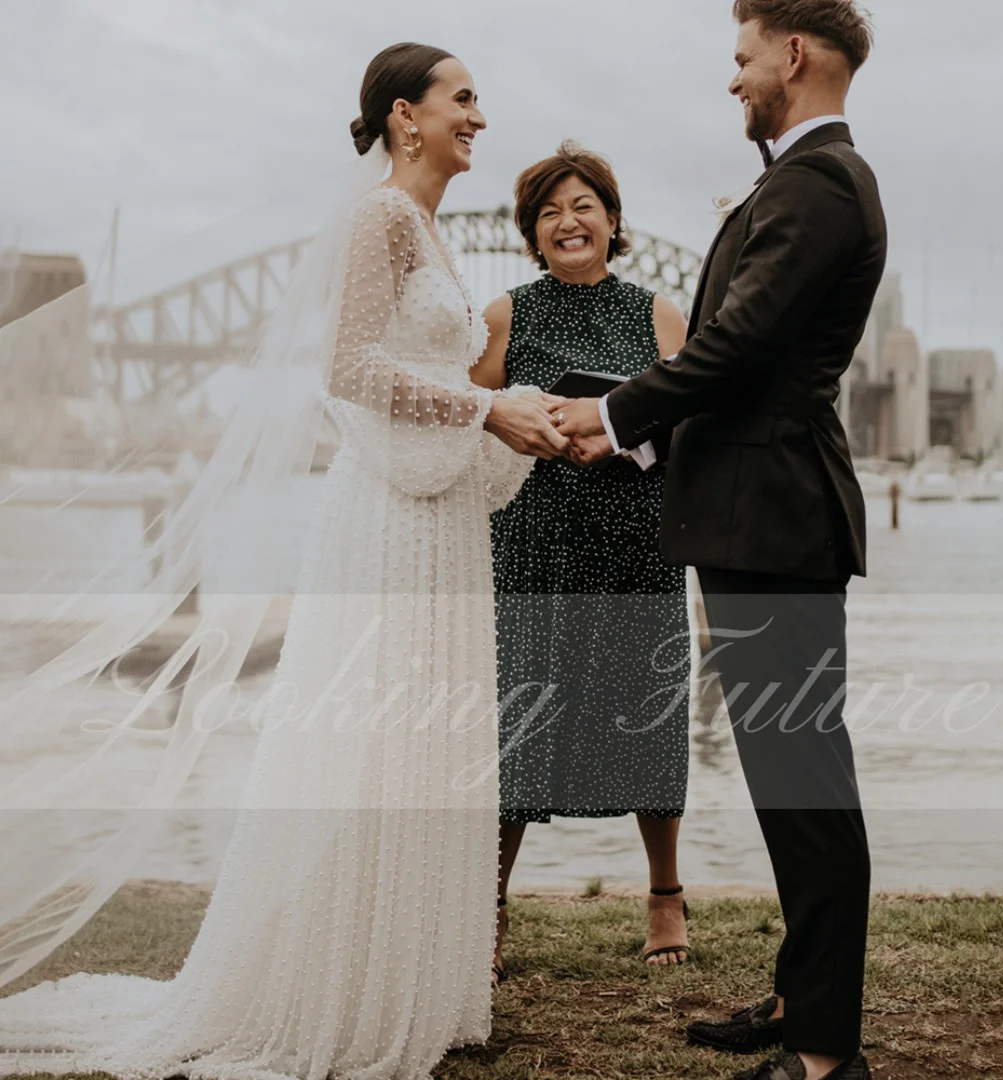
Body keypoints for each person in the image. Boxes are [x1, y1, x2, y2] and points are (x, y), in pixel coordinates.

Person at [0, 42, 566, 1080]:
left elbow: (431, 366)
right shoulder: (380, 217)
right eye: (464, 98)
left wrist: (515, 409)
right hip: (390, 518)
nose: (481, 116)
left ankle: (408, 982)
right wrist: (488, 406)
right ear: (406, 116)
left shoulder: (433, 232)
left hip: (437, 512)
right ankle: (333, 989)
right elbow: (347, 366)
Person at [552, 2, 885, 1079]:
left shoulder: (820, 183)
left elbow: (737, 350)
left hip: (776, 518)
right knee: (783, 773)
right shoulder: (802, 180)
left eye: (741, 58)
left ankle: (827, 1051)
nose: (731, 79)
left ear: (792, 55)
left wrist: (609, 422)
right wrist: (650, 436)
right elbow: (748, 362)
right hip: (759, 511)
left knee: (805, 780)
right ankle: (802, 994)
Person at [471, 142, 692, 980]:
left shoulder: (658, 314)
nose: (569, 221)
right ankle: (487, 910)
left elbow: (690, 426)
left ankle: (665, 896)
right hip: (533, 542)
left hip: (636, 537)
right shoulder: (504, 317)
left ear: (612, 219)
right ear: (532, 232)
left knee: (651, 713)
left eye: (584, 204)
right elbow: (473, 416)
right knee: (519, 724)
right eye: (550, 210)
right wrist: (525, 420)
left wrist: (623, 434)